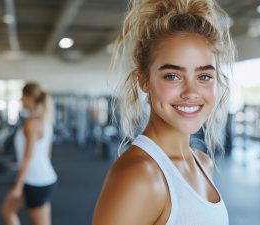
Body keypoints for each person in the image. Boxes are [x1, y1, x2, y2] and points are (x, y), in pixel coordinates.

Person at [92, 0, 236, 224]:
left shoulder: (203, 162)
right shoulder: (140, 176)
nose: (191, 92)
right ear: (144, 81)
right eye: (173, 76)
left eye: (204, 77)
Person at [1, 82, 57, 225]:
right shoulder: (45, 120)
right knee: (8, 210)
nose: (21, 100)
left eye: (23, 97)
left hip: (35, 181)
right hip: (43, 177)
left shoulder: (31, 123)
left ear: (31, 98)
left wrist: (18, 187)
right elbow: (47, 153)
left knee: (8, 210)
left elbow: (28, 157)